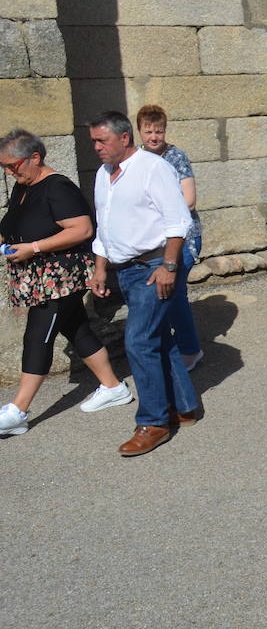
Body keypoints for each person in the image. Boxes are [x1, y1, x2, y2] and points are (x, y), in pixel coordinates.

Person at [0, 130, 132, 437]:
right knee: (76, 328)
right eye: (3, 167)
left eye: (12, 165)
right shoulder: (24, 187)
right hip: (41, 277)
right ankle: (114, 387)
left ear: (35, 157)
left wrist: (33, 248)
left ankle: (19, 410)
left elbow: (83, 229)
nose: (8, 172)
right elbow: (12, 226)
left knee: (38, 335)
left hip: (61, 276)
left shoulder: (57, 186)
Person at [86, 111, 199, 457]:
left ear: (123, 138)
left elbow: (178, 220)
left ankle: (154, 421)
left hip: (154, 266)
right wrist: (100, 268)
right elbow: (105, 227)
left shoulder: (153, 167)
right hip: (125, 269)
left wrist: (169, 265)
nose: (96, 148)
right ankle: (183, 406)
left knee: (138, 340)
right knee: (157, 337)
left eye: (101, 140)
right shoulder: (104, 174)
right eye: (93, 141)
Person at [136, 105, 204, 370]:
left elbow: (188, 200)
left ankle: (190, 349)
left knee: (174, 294)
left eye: (159, 131)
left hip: (183, 237)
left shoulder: (175, 157)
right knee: (158, 294)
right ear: (139, 131)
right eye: (148, 131)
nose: (154, 137)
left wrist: (155, 215)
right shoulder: (137, 158)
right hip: (152, 238)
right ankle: (165, 345)